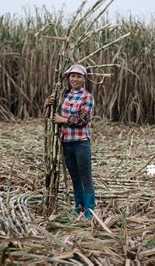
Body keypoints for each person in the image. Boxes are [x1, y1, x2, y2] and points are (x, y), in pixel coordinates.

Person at [44, 64, 95, 219]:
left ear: (84, 79)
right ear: (68, 78)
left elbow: (83, 120)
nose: (75, 79)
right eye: (72, 76)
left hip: (81, 142)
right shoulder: (63, 95)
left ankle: (89, 211)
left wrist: (62, 119)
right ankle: (78, 208)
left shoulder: (87, 97)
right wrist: (47, 105)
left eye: (78, 76)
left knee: (85, 177)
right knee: (75, 177)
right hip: (66, 142)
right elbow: (51, 117)